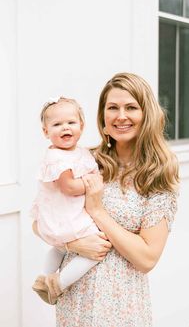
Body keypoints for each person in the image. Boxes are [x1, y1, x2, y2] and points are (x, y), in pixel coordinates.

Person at [55, 72, 179, 327]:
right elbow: (42, 219)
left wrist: (98, 212)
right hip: (75, 295)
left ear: (146, 114)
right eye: (112, 107)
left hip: (121, 303)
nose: (121, 116)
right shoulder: (84, 161)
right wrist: (74, 244)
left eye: (131, 107)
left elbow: (147, 258)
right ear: (102, 117)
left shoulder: (157, 174)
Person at [31, 96, 105, 305]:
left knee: (58, 249)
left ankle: (44, 279)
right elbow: (70, 187)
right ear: (46, 132)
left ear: (81, 125)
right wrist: (95, 181)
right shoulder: (57, 158)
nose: (65, 128)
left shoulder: (79, 152)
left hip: (64, 214)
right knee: (94, 252)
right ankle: (58, 285)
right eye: (57, 124)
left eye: (71, 122)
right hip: (65, 216)